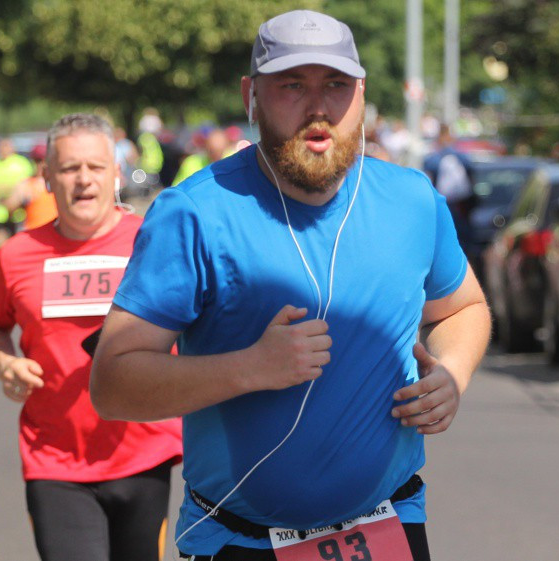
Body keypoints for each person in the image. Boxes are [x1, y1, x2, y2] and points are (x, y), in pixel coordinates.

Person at [90, 10, 491, 561]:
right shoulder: (193, 213)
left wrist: (452, 373)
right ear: (250, 96)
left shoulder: (412, 200)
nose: (318, 107)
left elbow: (462, 307)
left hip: (388, 528)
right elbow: (112, 384)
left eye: (335, 85)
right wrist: (249, 368)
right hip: (240, 540)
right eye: (291, 86)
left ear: (361, 93)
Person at [0, 113, 182, 561]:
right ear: (47, 179)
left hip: (145, 452)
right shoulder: (17, 255)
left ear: (116, 173)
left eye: (96, 167)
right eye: (68, 169)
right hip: (54, 459)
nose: (83, 180)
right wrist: (5, 363)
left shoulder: (155, 243)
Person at [422, 124, 475, 250]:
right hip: (462, 202)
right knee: (462, 235)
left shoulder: (434, 158)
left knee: (444, 233)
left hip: (443, 202)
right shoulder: (461, 156)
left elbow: (428, 179)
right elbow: (471, 174)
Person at [0, 138, 35, 250]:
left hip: (17, 212)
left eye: (7, 146)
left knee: (16, 247)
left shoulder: (22, 163)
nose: (4, 149)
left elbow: (27, 185)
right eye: (1, 146)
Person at [3, 144, 58, 231]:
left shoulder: (58, 182)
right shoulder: (27, 184)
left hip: (54, 234)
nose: (43, 164)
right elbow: (9, 208)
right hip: (32, 232)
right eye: (38, 160)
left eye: (46, 160)